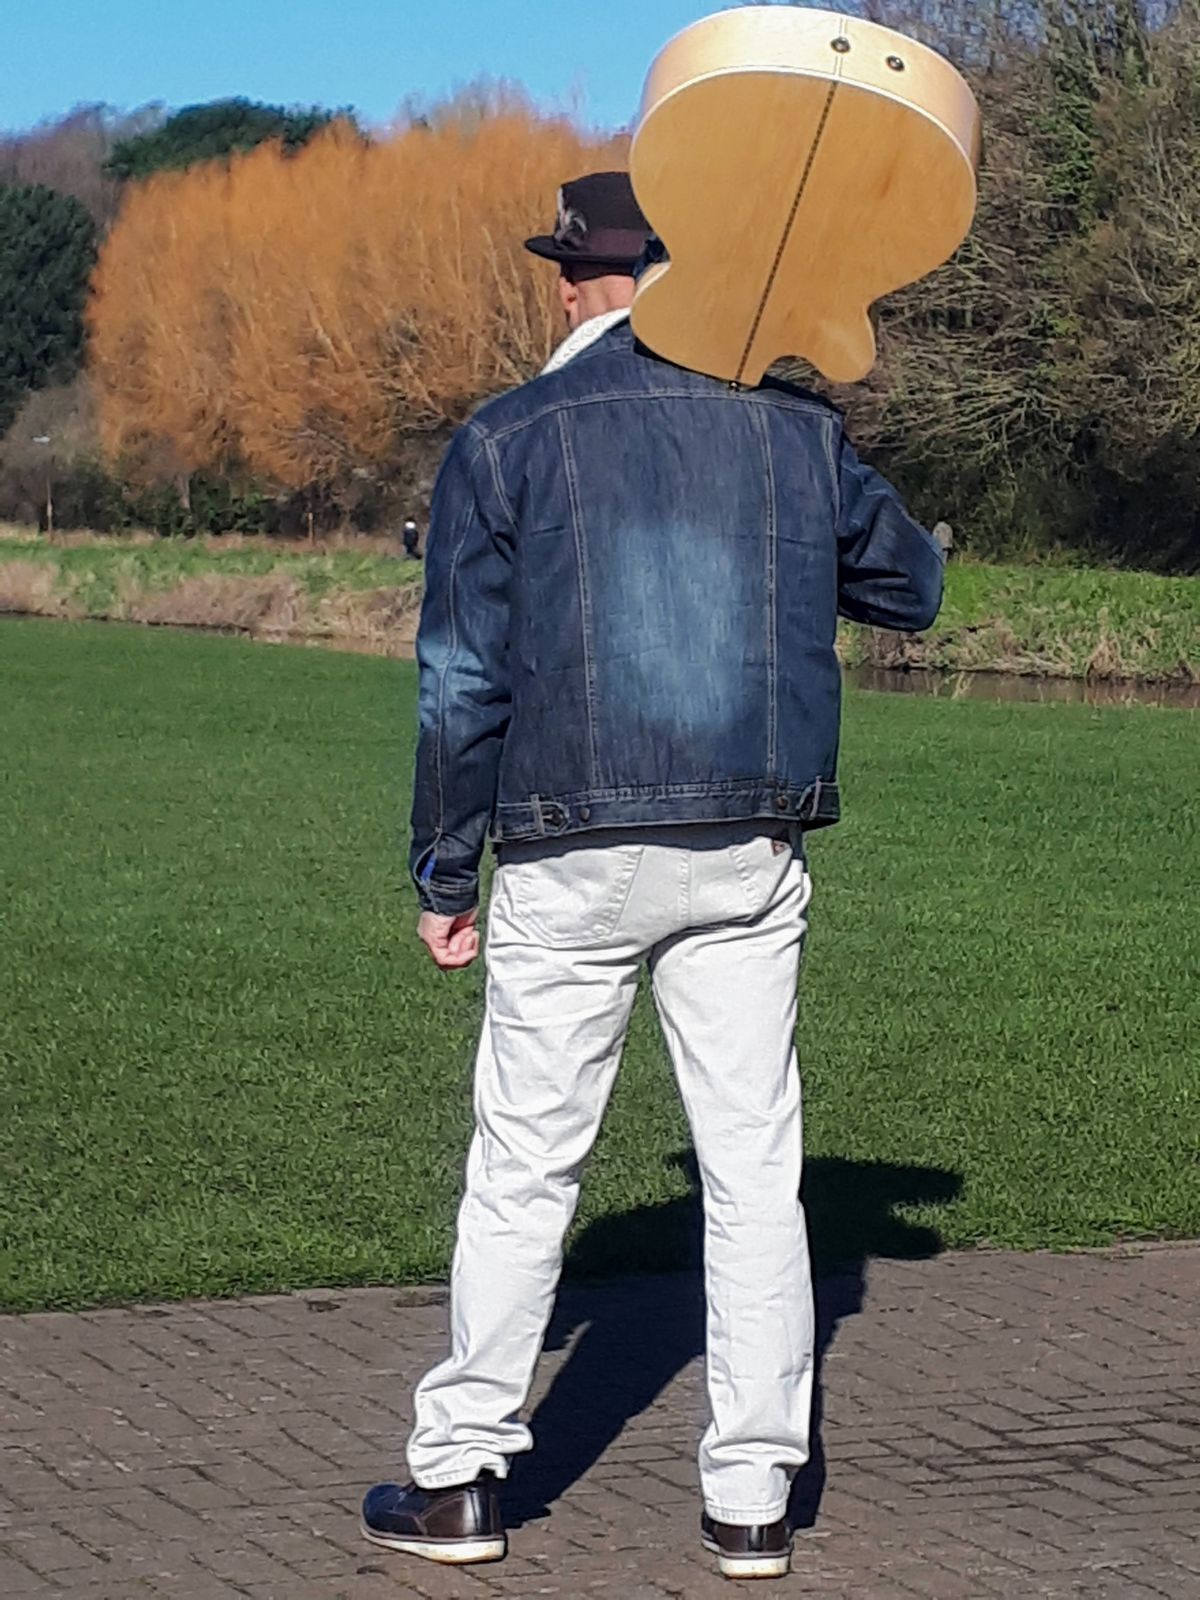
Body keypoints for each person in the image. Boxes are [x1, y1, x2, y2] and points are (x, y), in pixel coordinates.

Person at [362, 170, 944, 1580]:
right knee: (754, 1175)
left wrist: (446, 871)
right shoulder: (794, 427)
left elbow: (460, 682)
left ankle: (462, 1481)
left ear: (575, 280)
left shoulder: (507, 436)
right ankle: (752, 1500)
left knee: (525, 1169)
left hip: (566, 846)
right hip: (745, 843)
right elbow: (911, 587)